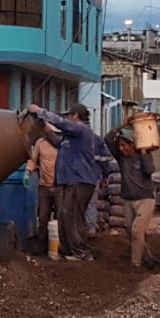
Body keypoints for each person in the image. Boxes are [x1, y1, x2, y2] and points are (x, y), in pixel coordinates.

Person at [28, 103, 100, 260]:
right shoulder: (73, 137)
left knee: (71, 216)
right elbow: (58, 143)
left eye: (70, 115)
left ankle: (80, 251)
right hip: (71, 181)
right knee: (65, 216)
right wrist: (45, 128)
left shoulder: (81, 129)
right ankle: (69, 251)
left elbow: (61, 123)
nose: (68, 118)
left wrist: (40, 111)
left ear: (76, 116)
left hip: (79, 181)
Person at [113, 132, 158, 269]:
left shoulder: (143, 157)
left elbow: (149, 170)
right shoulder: (122, 159)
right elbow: (108, 138)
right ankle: (147, 257)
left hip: (145, 200)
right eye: (119, 146)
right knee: (130, 230)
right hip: (128, 200)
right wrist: (122, 126)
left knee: (137, 230)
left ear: (132, 144)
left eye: (124, 145)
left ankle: (135, 264)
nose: (121, 149)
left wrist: (144, 152)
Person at [28, 133, 60, 252]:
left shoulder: (62, 142)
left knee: (60, 217)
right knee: (42, 216)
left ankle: (58, 246)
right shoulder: (40, 143)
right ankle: (42, 245)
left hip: (59, 186)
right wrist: (28, 171)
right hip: (44, 186)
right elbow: (33, 160)